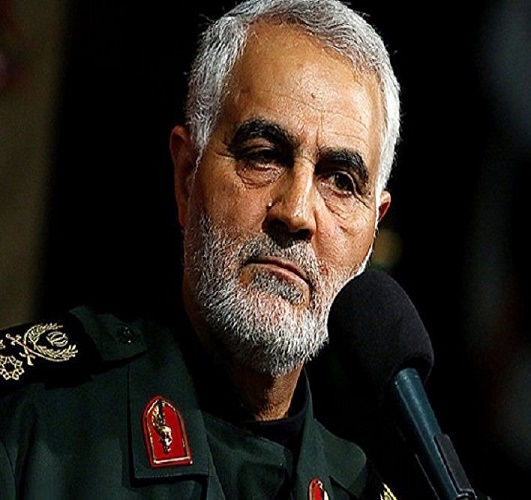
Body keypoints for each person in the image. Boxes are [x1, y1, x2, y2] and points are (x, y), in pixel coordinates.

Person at [0, 0, 401, 498]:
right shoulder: (26, 423)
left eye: (340, 181)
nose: (297, 212)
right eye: (263, 156)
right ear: (186, 176)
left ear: (373, 227)